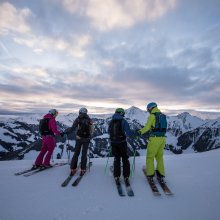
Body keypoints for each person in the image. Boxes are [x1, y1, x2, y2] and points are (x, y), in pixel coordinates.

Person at [136, 102, 167, 183]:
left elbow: (147, 127)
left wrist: (139, 132)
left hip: (154, 139)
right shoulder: (162, 116)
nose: (148, 111)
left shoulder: (152, 116)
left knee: (150, 157)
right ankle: (161, 175)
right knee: (159, 157)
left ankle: (150, 175)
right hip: (163, 139)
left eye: (148, 109)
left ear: (151, 108)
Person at [63, 107, 94, 176]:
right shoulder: (89, 120)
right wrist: (90, 136)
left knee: (76, 153)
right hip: (86, 139)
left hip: (79, 138)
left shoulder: (78, 119)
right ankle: (83, 169)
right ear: (86, 112)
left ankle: (73, 169)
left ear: (80, 112)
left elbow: (73, 128)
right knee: (84, 154)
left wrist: (66, 132)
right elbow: (92, 130)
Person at [108, 108, 135, 184]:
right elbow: (129, 132)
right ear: (121, 113)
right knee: (125, 159)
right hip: (122, 142)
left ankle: (117, 176)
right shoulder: (124, 121)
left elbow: (108, 131)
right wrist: (135, 135)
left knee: (116, 159)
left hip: (113, 143)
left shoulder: (111, 122)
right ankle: (126, 176)